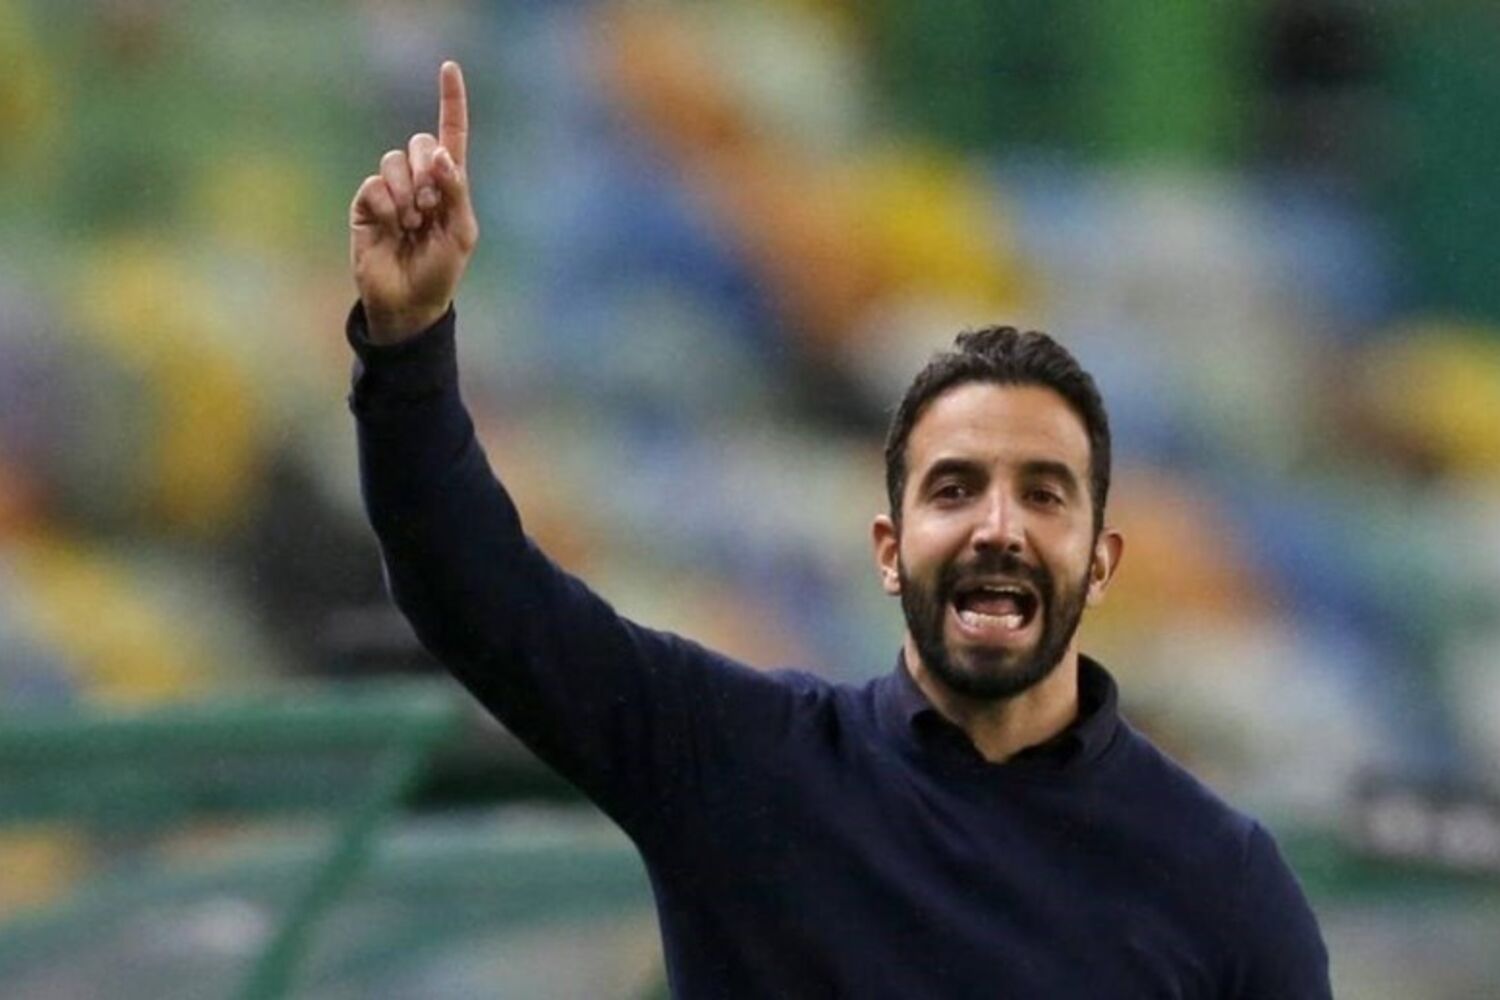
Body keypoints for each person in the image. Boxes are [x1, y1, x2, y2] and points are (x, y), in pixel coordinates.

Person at [346, 61, 1332, 998]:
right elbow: (473, 589)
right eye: (954, 490)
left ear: (1103, 560)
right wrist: (408, 344)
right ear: (888, 550)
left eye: (1044, 494)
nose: (998, 529)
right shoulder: (747, 767)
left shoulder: (1224, 881)